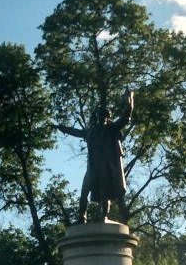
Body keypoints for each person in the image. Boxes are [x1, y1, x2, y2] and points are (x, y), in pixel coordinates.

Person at [56, 88, 134, 223]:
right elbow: (77, 132)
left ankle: (103, 216)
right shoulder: (91, 132)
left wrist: (130, 102)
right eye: (99, 115)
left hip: (106, 165)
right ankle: (82, 217)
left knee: (105, 193)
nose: (100, 118)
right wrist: (61, 127)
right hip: (93, 165)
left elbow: (126, 118)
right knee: (84, 190)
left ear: (107, 117)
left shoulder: (111, 129)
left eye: (103, 116)